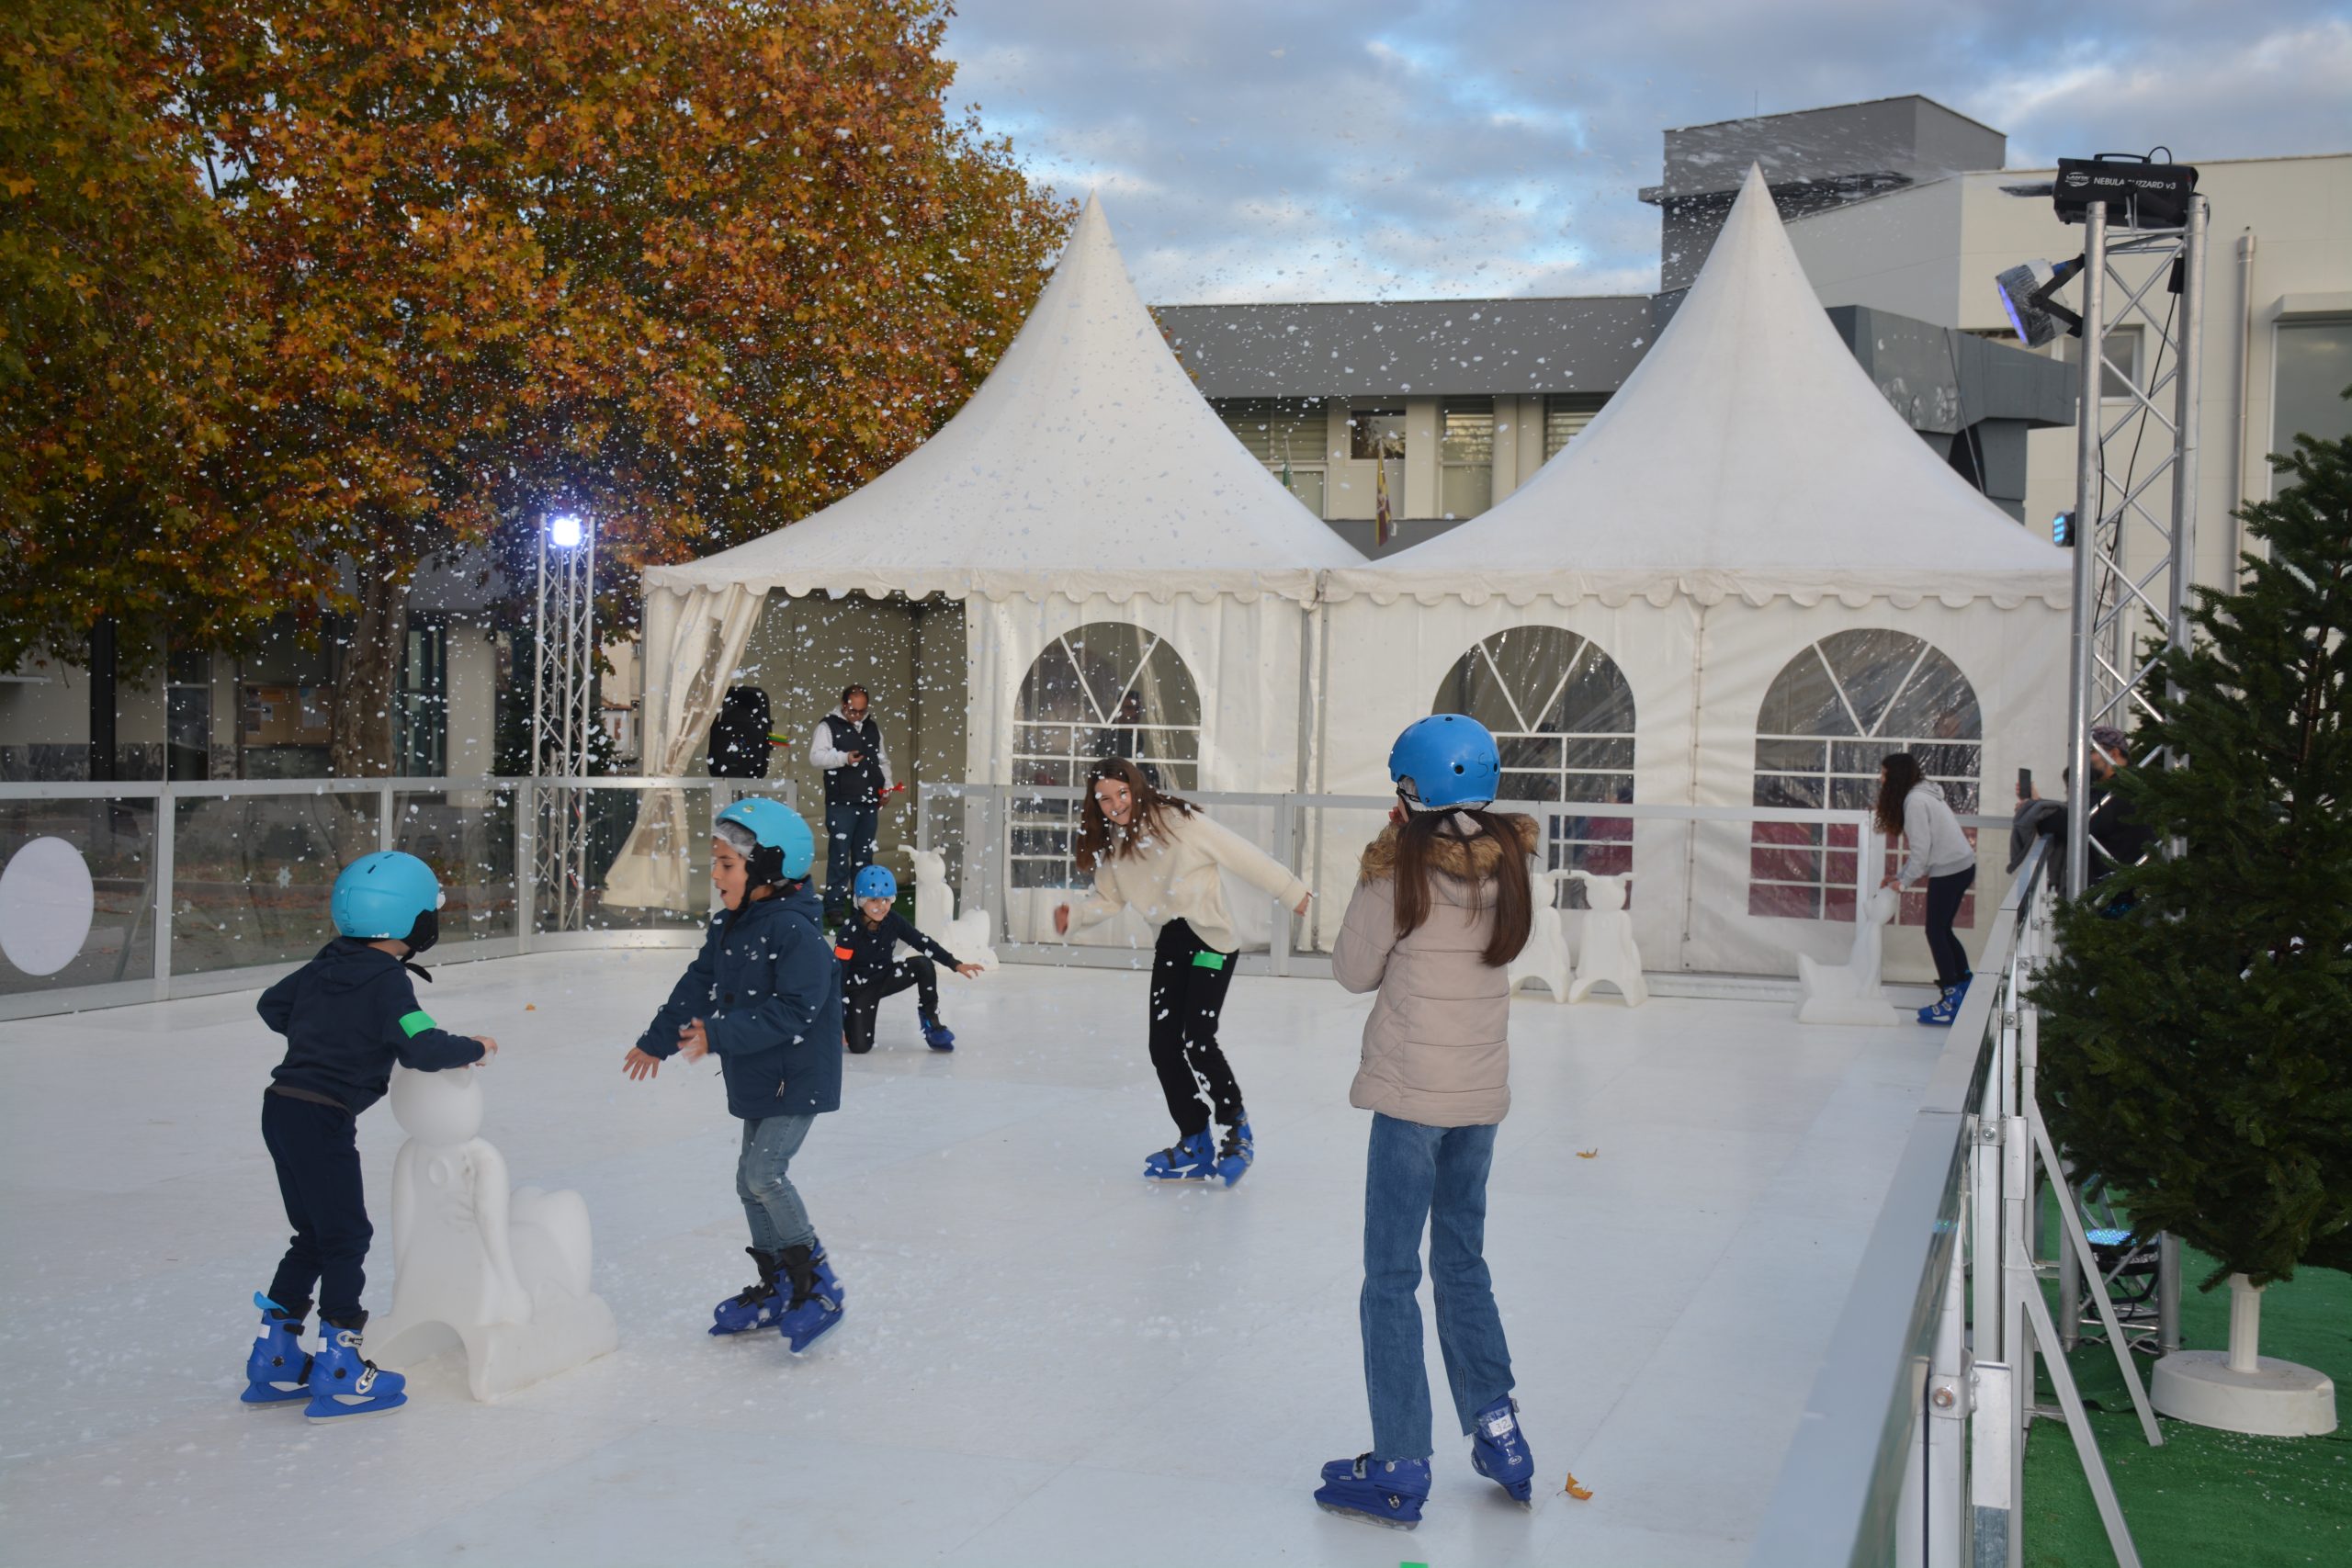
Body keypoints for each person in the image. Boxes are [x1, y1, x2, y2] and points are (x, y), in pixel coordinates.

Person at [1314, 714, 1539, 1529]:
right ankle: (1499, 1428)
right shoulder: (1512, 863)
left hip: (1411, 1102)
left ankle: (1402, 1457)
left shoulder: (1397, 873)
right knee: (1463, 1261)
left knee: (1391, 1277)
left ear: (1410, 791)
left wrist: (1379, 864)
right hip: (1478, 1100)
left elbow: (1350, 970)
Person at [242, 851, 496, 1422]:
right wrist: (476, 1048)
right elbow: (424, 1045)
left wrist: (325, 1024)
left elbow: (272, 1005)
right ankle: (341, 1367)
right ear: (416, 923)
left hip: (281, 1109)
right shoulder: (387, 984)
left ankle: (276, 1359)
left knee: (312, 1233)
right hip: (322, 1118)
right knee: (347, 1236)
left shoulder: (327, 963)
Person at [621, 797, 848, 1353]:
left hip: (795, 1075)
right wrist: (658, 1040)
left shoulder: (797, 934)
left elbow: (796, 1012)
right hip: (758, 1073)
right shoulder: (731, 926)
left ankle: (816, 1281)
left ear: (767, 868)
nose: (716, 875)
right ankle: (777, 1283)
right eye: (715, 863)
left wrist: (717, 1035)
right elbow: (697, 984)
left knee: (764, 1174)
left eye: (727, 864)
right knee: (748, 1180)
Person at [1051, 757, 1311, 1185]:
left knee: (1198, 1039)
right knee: (1163, 1046)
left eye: (1122, 793)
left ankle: (1235, 1128)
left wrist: (1290, 890)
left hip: (1211, 940)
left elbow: (1240, 855)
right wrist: (1075, 916)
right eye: (1105, 799)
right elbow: (1109, 899)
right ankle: (1195, 1137)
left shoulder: (1179, 822)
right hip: (1172, 942)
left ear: (1136, 788)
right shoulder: (1117, 849)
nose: (1116, 804)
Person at [835, 863, 983, 1054]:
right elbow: (837, 977)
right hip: (858, 989)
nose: (882, 906)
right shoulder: (849, 934)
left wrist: (955, 963)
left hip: (886, 977)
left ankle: (932, 1022)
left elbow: (922, 942)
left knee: (923, 964)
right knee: (860, 1047)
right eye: (874, 900)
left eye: (887, 900)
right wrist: (837, 1022)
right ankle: (852, 1024)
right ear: (861, 901)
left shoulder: (893, 921)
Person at [1876, 751, 1977, 1026]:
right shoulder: (1924, 793)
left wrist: (1904, 883)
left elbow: (1921, 851)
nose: (1881, 779)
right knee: (1942, 929)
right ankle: (1965, 984)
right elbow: (1925, 851)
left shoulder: (1915, 801)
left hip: (1951, 869)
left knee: (1935, 931)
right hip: (1961, 865)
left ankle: (1951, 997)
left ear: (1895, 776)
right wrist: (1898, 876)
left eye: (1884, 773)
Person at [2029, 725, 2155, 896]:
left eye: (2090, 752)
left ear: (2113, 754)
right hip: (2118, 891)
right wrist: (2038, 806)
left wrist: (2037, 811)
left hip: (2119, 898)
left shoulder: (2118, 792)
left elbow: (2076, 825)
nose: (2083, 759)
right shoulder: (2127, 785)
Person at [809, 685, 893, 925]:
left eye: (861, 711)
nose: (857, 716)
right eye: (852, 710)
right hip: (841, 801)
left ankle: (863, 904)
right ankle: (835, 906)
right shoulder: (828, 725)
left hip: (868, 800)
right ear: (843, 704)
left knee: (864, 856)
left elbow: (882, 759)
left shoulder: (872, 727)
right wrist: (843, 758)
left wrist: (885, 786)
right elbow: (816, 757)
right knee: (839, 855)